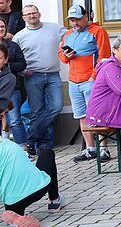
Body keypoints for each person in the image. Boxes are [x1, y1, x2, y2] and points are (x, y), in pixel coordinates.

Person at [0, 43, 66, 227]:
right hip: (33, 191)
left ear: (6, 59)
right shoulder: (8, 146)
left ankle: (13, 214)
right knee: (46, 152)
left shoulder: (8, 78)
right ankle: (54, 199)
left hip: (10, 201)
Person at [58, 4, 111, 162]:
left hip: (90, 80)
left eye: (78, 19)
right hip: (74, 81)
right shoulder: (68, 34)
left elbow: (104, 56)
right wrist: (67, 55)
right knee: (82, 115)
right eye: (72, 20)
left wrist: (94, 76)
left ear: (86, 17)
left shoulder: (97, 31)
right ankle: (90, 148)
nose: (75, 23)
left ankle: (104, 149)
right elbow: (61, 56)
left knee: (97, 114)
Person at [13, 5, 65, 154]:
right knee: (37, 112)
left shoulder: (54, 28)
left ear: (39, 14)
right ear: (23, 18)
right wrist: (23, 72)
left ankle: (31, 138)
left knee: (56, 107)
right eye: (28, 14)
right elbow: (15, 57)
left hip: (53, 74)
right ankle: (44, 145)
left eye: (34, 13)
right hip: (33, 77)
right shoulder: (19, 36)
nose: (32, 16)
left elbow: (71, 36)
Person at [85, 36, 121, 177]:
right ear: (114, 50)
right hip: (103, 114)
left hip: (111, 110)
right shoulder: (111, 67)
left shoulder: (119, 66)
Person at [0, 18, 27, 149]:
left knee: (15, 118)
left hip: (11, 86)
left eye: (2, 26)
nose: (1, 29)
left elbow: (22, 64)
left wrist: (7, 66)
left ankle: (23, 148)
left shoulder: (12, 45)